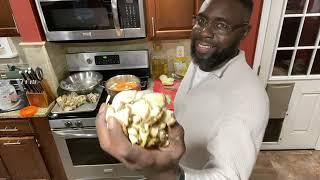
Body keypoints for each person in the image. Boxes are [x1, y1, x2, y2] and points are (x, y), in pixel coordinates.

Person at [95, 0, 269, 179]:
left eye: (221, 25)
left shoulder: (249, 99)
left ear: (244, 32)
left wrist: (170, 175)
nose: (205, 32)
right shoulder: (203, 61)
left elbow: (228, 176)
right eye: (201, 21)